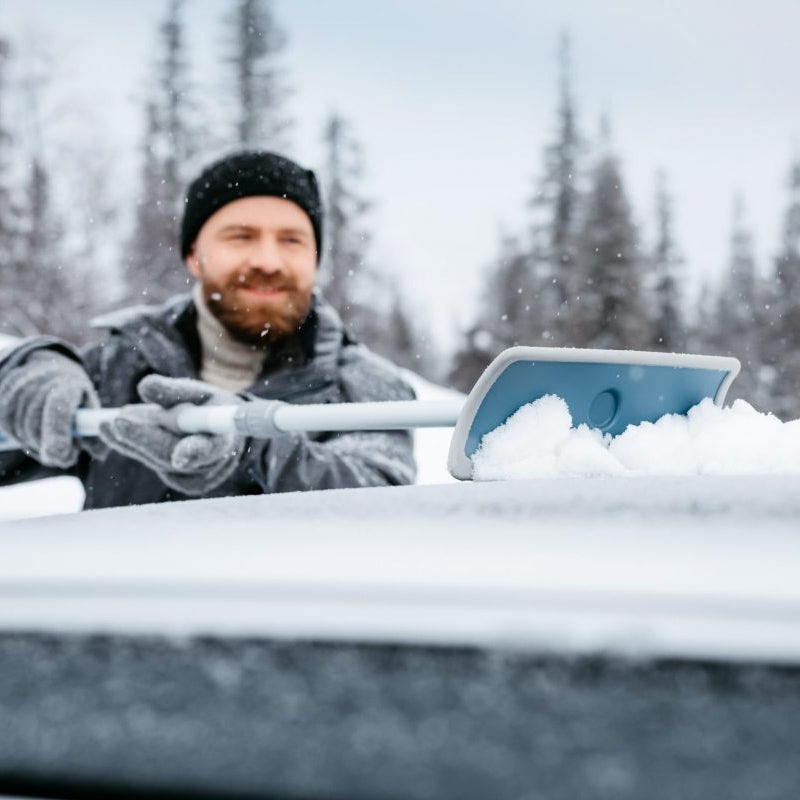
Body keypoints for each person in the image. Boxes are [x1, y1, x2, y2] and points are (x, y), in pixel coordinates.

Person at [0, 151, 416, 509]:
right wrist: (22, 375)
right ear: (195, 256)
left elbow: (375, 506)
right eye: (241, 237)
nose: (268, 261)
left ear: (315, 259)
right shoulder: (119, 366)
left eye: (292, 240)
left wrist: (251, 448)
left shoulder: (365, 387)